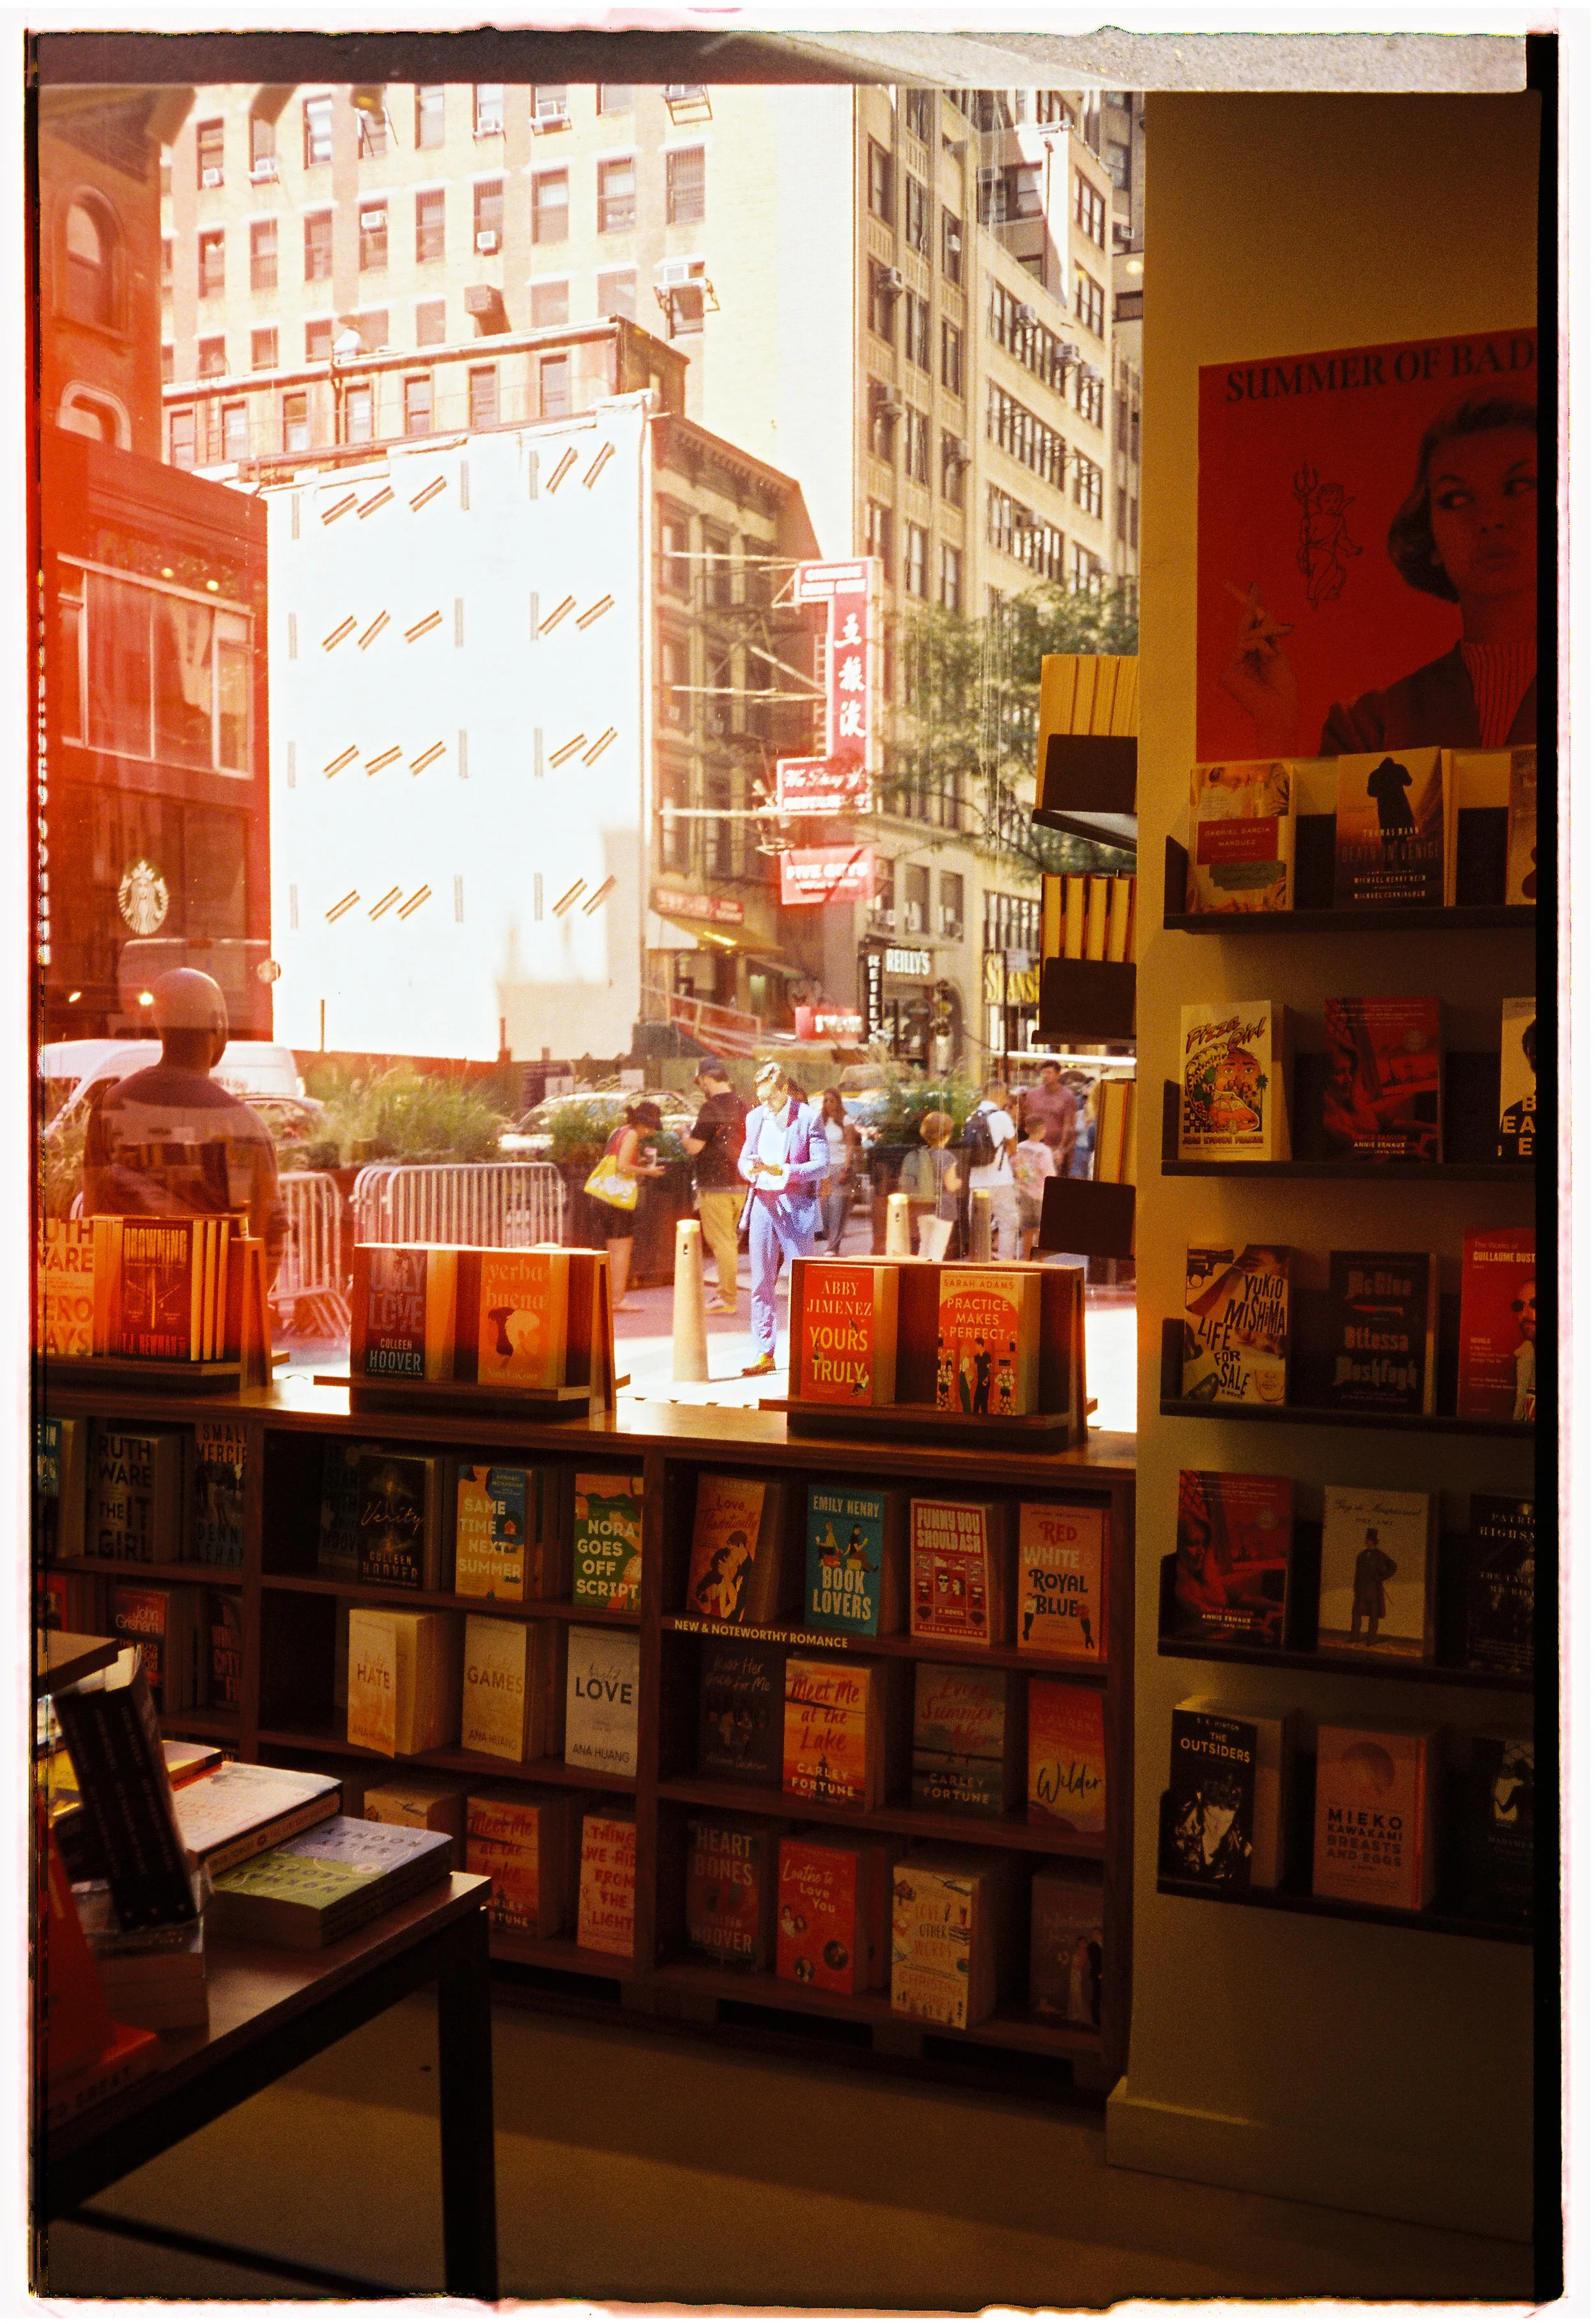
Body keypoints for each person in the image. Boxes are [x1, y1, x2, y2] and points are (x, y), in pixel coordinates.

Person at [1221, 390, 1537, 755]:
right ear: (1430, 535)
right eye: (1457, 499)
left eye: (1519, 487)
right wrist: (1276, 724)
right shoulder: (1371, 725)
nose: (1490, 520)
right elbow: (1319, 814)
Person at [82, 967, 288, 1288]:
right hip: (212, 1315)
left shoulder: (110, 1108)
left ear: (158, 1024)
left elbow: (93, 1221)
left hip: (129, 1310)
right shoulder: (243, 1125)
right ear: (219, 1025)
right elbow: (266, 1241)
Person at [737, 1061, 828, 1377]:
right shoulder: (754, 1118)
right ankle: (764, 1352)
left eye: (771, 1099)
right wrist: (749, 1168)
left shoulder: (807, 1117)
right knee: (761, 1281)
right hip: (762, 1202)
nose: (765, 1105)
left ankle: (810, 1352)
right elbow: (744, 1156)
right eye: (761, 1099)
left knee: (805, 1281)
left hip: (795, 1205)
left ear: (785, 1090)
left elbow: (822, 1165)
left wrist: (785, 1171)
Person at [589, 1100, 666, 1313]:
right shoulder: (632, 1134)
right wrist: (649, 1172)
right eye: (650, 1127)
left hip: (602, 1196)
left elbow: (615, 1161)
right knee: (621, 1248)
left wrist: (638, 1164)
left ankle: (609, 1299)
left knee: (609, 1249)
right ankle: (617, 1300)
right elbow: (622, 1167)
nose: (650, 1132)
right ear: (642, 1123)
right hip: (617, 1199)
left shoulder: (619, 1131)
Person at [681, 1059, 744, 1314]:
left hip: (716, 1184)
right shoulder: (742, 1105)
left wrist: (683, 1135)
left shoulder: (712, 1107)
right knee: (729, 1241)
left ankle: (727, 1297)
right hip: (740, 1183)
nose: (701, 1088)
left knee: (722, 1242)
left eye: (700, 1083)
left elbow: (695, 1146)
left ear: (707, 1079)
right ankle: (727, 1294)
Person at [962, 1081, 1019, 1259]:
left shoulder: (971, 1118)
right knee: (1008, 1222)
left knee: (979, 1224)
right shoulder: (1002, 1117)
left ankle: (980, 1260)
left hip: (977, 1181)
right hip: (1000, 1179)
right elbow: (1013, 1149)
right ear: (998, 1094)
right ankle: (1005, 1261)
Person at [897, 1111, 962, 1257]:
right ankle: (931, 1279)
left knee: (925, 1246)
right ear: (947, 1134)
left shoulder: (921, 1155)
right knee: (937, 1250)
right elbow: (950, 1185)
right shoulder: (946, 1157)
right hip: (943, 1210)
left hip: (923, 1208)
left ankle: (920, 1277)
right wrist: (960, 1182)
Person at [816, 1088, 859, 1257]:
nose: (828, 1104)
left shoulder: (846, 1121)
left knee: (837, 1207)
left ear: (838, 1102)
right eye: (825, 1101)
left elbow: (850, 1147)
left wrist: (846, 1168)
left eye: (832, 1101)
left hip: (840, 1166)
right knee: (824, 1207)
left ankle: (833, 1245)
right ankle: (828, 1239)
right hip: (825, 1168)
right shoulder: (822, 1121)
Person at [1015, 1058, 1078, 1167]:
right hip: (1033, 1148)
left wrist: (1061, 1150)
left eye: (1049, 1073)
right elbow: (1028, 1120)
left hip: (1055, 1150)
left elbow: (1068, 1126)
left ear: (1058, 1075)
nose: (1045, 1076)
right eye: (1043, 1073)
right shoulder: (1033, 1095)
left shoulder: (1068, 1097)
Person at [1013, 1114, 1058, 1260]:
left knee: (1027, 1230)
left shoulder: (1019, 1147)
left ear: (1026, 1129)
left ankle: (1027, 1259)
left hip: (1024, 1191)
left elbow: (1013, 1166)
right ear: (1043, 1130)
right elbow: (1049, 1173)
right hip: (1041, 1193)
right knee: (1040, 1230)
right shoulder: (1044, 1151)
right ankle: (1040, 1261)